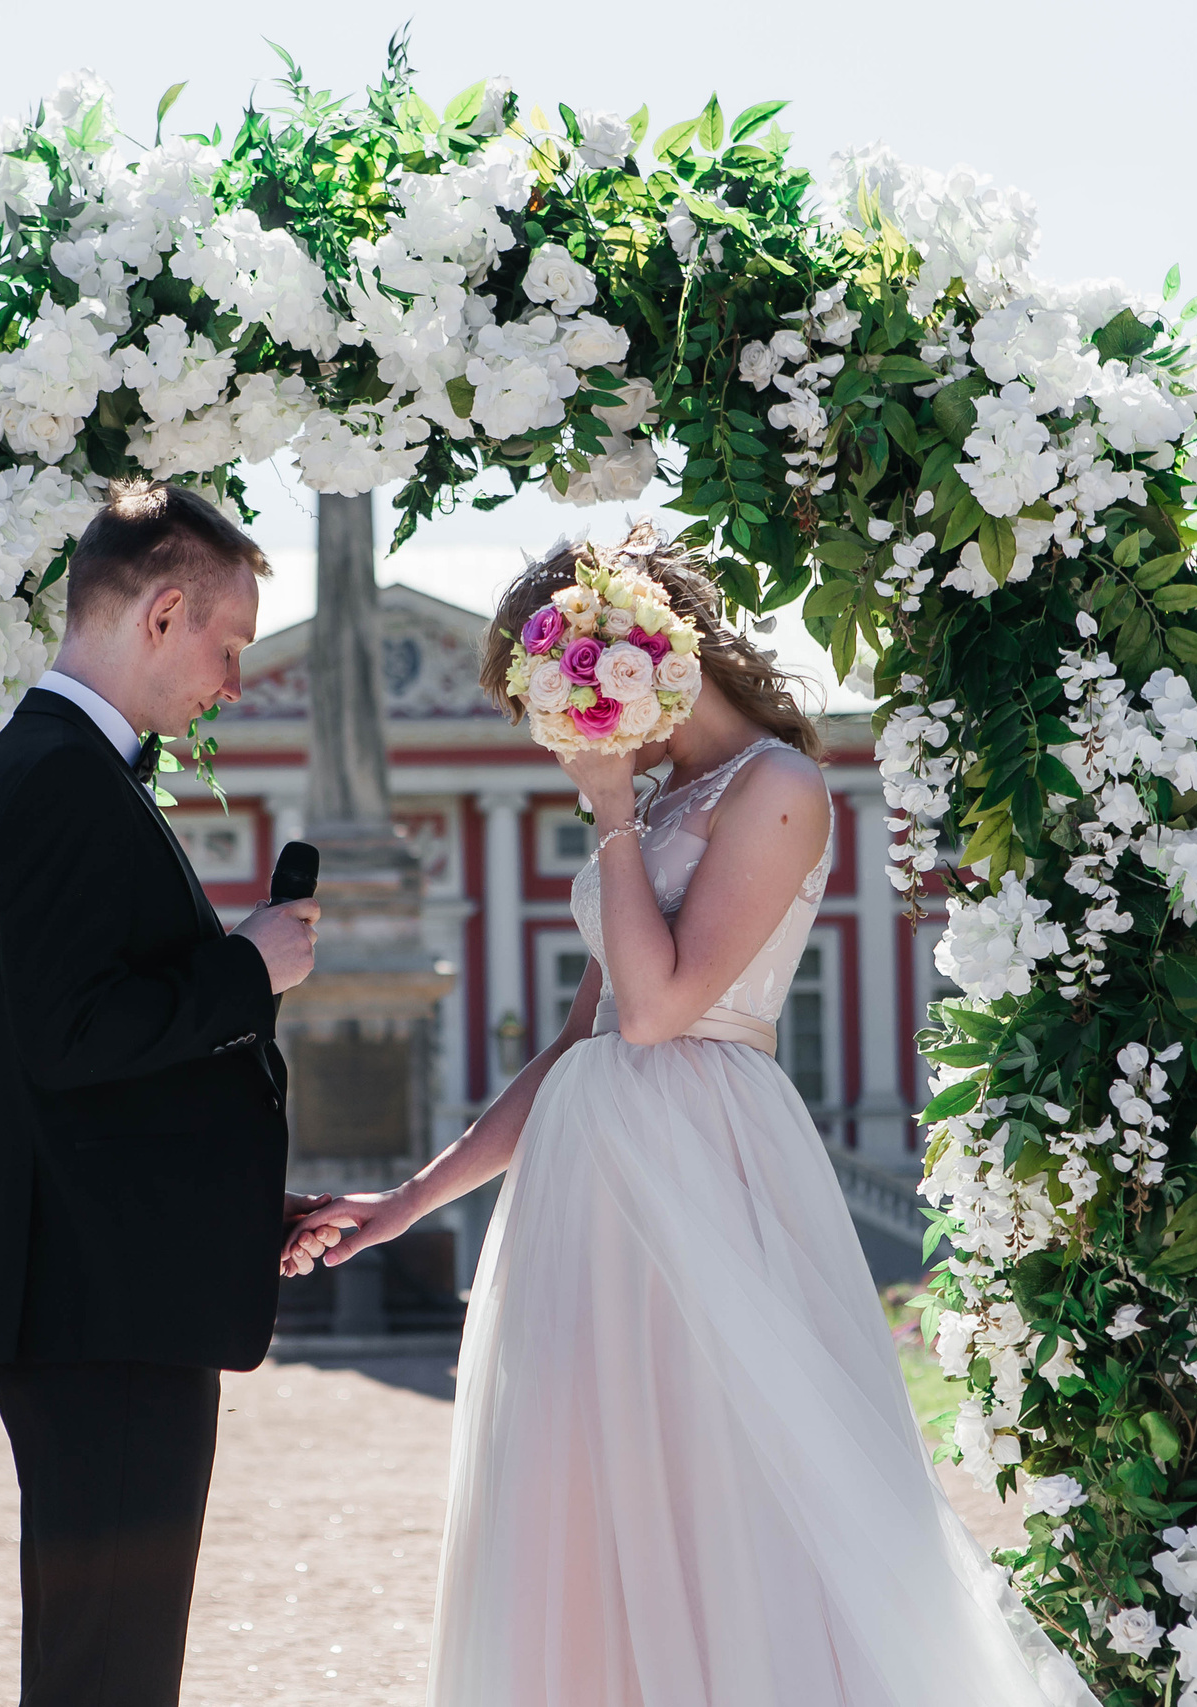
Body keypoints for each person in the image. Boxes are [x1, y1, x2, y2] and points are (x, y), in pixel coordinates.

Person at [284, 540, 1096, 1707]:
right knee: (586, 1487)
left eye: (553, 693)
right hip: (586, 1174)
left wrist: (609, 812)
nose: (554, 735)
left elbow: (664, 1010)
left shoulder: (779, 787)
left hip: (704, 1162)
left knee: (733, 1478)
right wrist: (402, 1203)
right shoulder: (657, 799)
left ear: (643, 654)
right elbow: (583, 1040)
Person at [0, 479, 336, 1707]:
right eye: (229, 645)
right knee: (106, 1669)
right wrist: (246, 966)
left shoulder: (67, 765)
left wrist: (233, 1203)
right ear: (163, 613)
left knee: (106, 1657)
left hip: (105, 1295)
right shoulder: (62, 776)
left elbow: (94, 1063)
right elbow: (68, 1038)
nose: (232, 682)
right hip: (98, 1314)